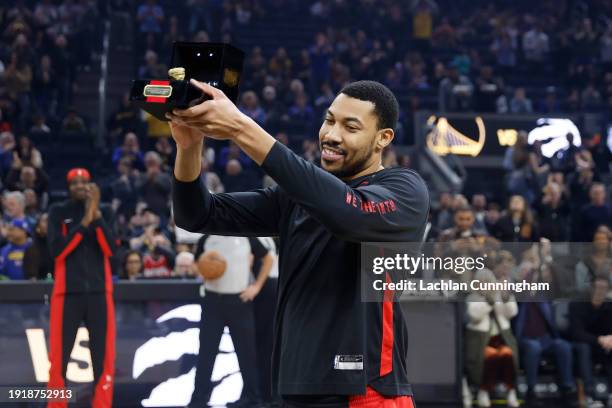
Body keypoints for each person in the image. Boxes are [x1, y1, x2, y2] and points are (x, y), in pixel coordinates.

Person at [168, 80, 429, 406]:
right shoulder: (294, 198)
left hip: (365, 389)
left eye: (350, 127)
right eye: (329, 120)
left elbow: (348, 214)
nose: (332, 135)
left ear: (383, 139)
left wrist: (240, 127)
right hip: (295, 385)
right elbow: (196, 215)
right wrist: (189, 146)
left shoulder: (404, 189)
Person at [46, 168, 117, 408]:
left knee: (103, 360)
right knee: (58, 360)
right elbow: (57, 251)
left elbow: (111, 250)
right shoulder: (58, 211)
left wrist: (95, 215)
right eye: (74, 182)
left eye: (84, 181)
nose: (79, 186)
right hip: (66, 294)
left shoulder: (105, 211)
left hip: (99, 294)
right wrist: (85, 222)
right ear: (68, 187)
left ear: (91, 184)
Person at [191, 234, 274, 407]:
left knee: (247, 355)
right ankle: (198, 400)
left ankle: (253, 399)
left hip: (239, 301)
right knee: (206, 354)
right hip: (212, 301)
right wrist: (204, 267)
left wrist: (256, 287)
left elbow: (268, 257)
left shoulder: (246, 236)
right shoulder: (206, 237)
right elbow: (194, 265)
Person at [465, 269, 519, 408]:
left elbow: (512, 312)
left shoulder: (500, 295)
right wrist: (489, 301)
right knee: (491, 355)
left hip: (502, 338)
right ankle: (484, 390)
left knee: (507, 354)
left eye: (487, 282)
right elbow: (474, 315)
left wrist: (505, 297)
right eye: (481, 282)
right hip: (480, 341)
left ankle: (510, 390)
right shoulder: (472, 297)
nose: (485, 284)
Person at [569, 276, 612, 408]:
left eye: (604, 288)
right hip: (582, 343)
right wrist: (599, 339)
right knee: (584, 348)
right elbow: (577, 333)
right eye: (597, 288)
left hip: (604, 343)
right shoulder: (577, 304)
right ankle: (589, 395)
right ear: (591, 288)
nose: (600, 291)